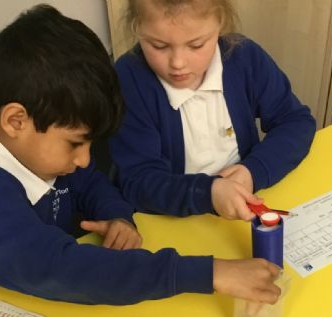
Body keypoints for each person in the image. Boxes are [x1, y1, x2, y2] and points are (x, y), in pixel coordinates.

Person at [0, 4, 281, 306]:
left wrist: (117, 216)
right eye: (75, 144)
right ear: (16, 121)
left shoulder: (42, 148)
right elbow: (64, 269)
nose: (85, 159)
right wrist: (210, 273)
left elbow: (90, 182)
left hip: (37, 288)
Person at [109, 0, 316, 220]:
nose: (178, 63)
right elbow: (138, 181)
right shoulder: (129, 79)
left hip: (244, 208)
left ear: (220, 24)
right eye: (159, 46)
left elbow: (296, 121)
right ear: (137, 28)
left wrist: (252, 171)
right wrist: (207, 194)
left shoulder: (245, 57)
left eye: (196, 45)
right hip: (171, 221)